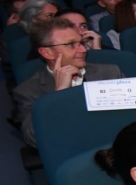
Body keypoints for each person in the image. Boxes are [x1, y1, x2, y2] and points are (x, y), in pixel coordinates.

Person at [13, 16, 125, 146]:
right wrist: (59, 94)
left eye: (82, 43)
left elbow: (133, 117)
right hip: (72, 153)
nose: (83, 50)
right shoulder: (28, 92)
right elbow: (35, 139)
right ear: (47, 53)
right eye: (71, 45)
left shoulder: (110, 73)